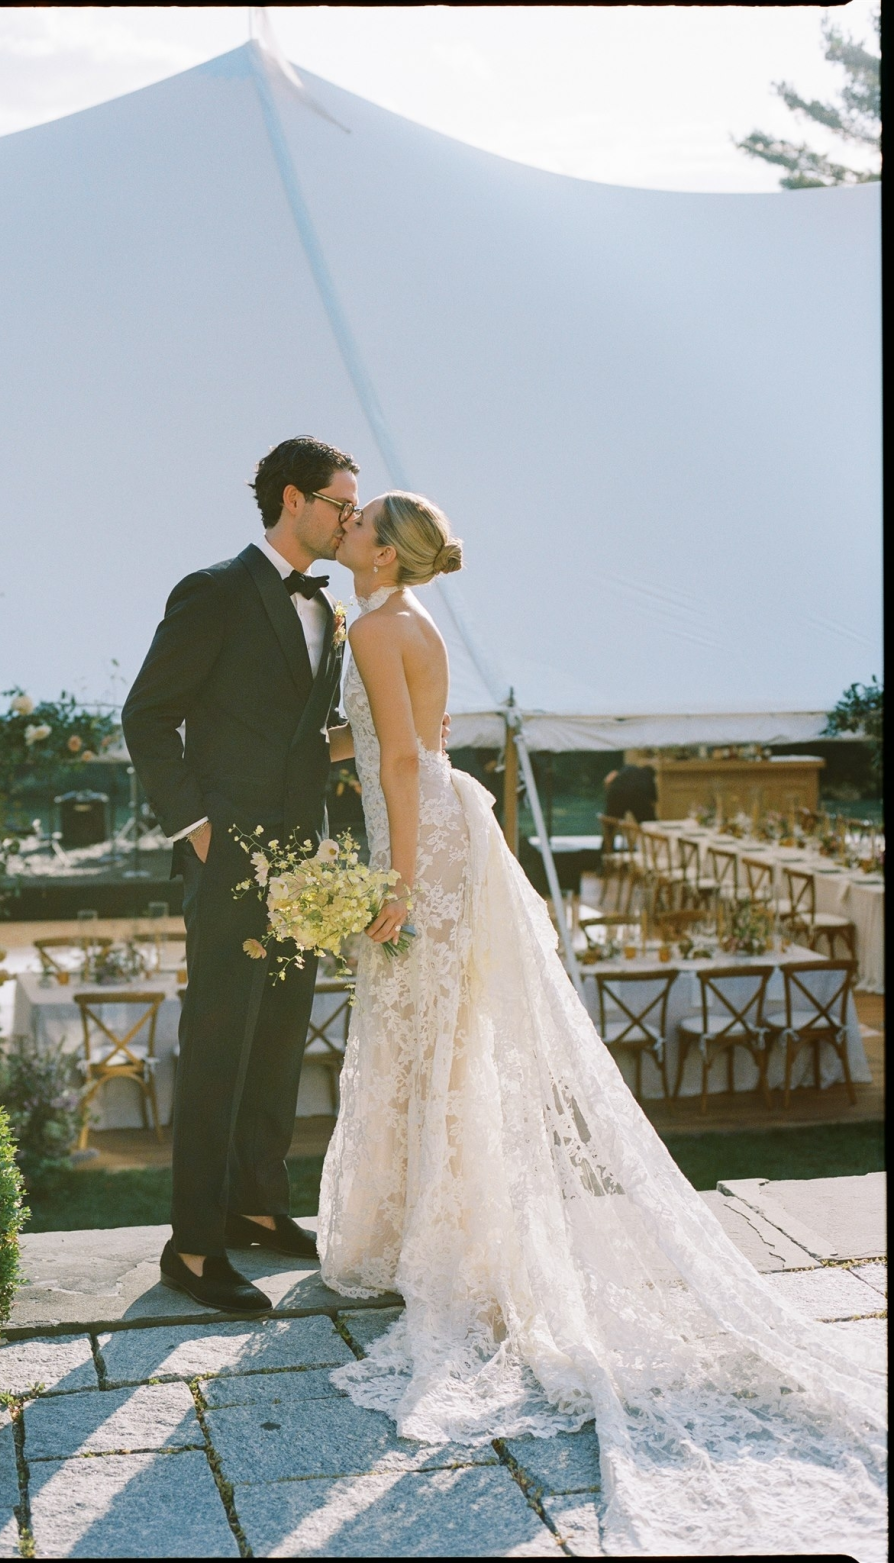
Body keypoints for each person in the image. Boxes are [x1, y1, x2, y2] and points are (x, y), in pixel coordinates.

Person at [318, 490, 886, 1559]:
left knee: (424, 1041)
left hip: (419, 841)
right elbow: (416, 743)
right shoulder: (411, 621)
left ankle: (425, 1236)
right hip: (438, 822)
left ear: (383, 551)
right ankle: (430, 1226)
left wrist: (393, 877)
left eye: (358, 522)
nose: (344, 528)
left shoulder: (379, 627)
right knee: (434, 1043)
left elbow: (399, 757)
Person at [121, 436, 356, 1312]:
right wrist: (199, 832)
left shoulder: (331, 613)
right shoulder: (213, 591)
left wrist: (384, 736)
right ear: (294, 499)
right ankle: (191, 1247)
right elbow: (147, 716)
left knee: (280, 1037)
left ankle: (257, 1205)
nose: (351, 520)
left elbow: (308, 740)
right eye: (341, 505)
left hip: (305, 864)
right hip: (229, 860)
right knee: (220, 1043)